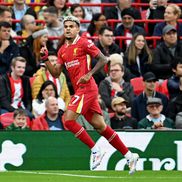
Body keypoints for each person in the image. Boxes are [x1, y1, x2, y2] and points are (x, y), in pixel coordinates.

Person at [40, 15, 139, 173]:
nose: (68, 29)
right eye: (66, 26)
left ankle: (95, 150)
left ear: (78, 28)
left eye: (72, 26)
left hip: (87, 88)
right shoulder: (62, 50)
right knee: (101, 127)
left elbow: (103, 59)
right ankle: (129, 155)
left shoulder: (84, 42)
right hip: (80, 90)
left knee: (68, 121)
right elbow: (56, 73)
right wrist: (45, 59)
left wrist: (89, 73)